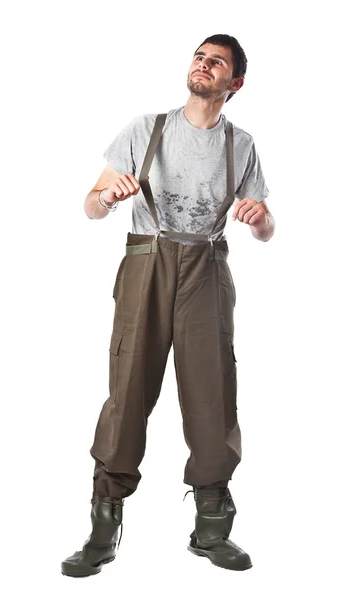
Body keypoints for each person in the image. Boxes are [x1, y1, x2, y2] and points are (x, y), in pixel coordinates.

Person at [61, 33, 275, 577]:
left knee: (212, 393)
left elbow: (267, 227)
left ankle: (211, 527)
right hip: (145, 265)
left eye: (217, 62)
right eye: (199, 57)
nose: (203, 65)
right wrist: (108, 198)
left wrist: (259, 220)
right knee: (128, 388)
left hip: (206, 268)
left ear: (235, 83)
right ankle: (103, 527)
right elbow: (90, 205)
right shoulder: (146, 129)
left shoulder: (242, 145)